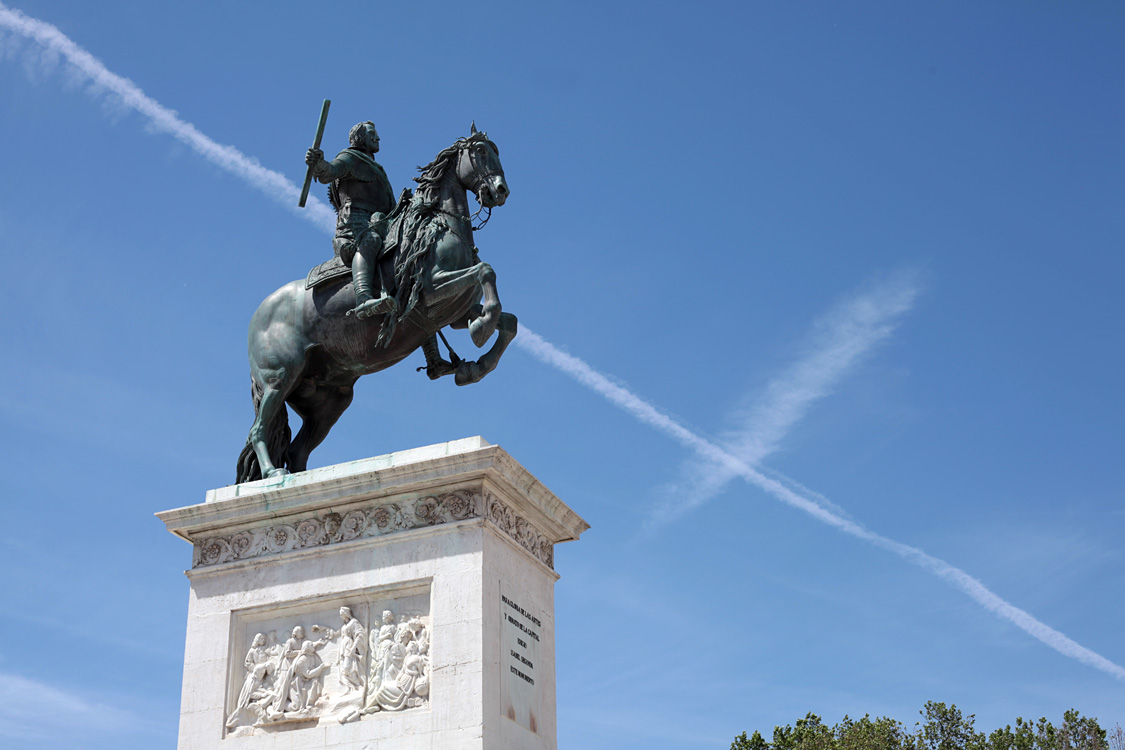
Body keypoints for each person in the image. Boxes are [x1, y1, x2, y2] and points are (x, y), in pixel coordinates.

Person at [306, 121, 398, 319]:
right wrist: (318, 163)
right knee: (371, 240)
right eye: (372, 134)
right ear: (360, 138)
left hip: (378, 221)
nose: (378, 138)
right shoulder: (350, 157)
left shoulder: (376, 167)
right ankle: (363, 299)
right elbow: (329, 171)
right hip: (354, 223)